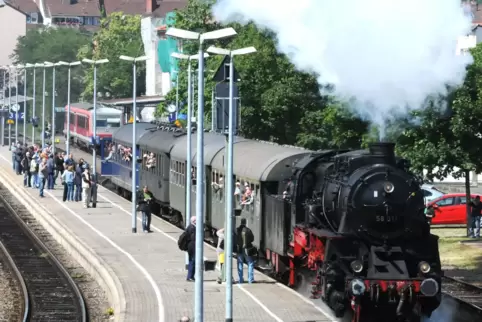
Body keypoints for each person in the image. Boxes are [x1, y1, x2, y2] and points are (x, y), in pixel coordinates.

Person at [236, 218, 255, 284]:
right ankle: (250, 279)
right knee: (250, 263)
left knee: (240, 264)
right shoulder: (248, 230)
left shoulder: (237, 230)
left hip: (239, 249)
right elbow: (252, 239)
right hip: (247, 249)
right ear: (245, 222)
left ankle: (240, 279)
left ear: (240, 222)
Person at [186, 216, 197, 281]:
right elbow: (193, 238)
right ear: (194, 221)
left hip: (191, 247)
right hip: (192, 247)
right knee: (192, 261)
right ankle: (190, 276)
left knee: (192, 261)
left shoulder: (190, 227)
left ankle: (191, 276)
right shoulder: (192, 228)